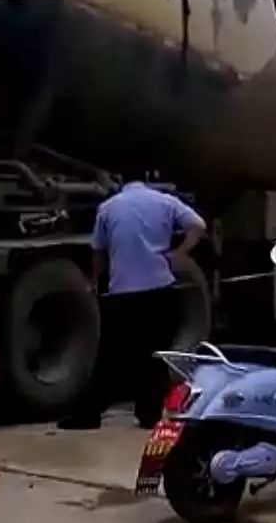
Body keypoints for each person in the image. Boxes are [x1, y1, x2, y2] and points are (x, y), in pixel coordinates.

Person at [60, 168, 205, 430]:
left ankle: (89, 414)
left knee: (110, 355)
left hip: (123, 291)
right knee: (156, 353)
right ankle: (149, 413)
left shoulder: (109, 207)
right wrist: (179, 254)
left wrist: (95, 282)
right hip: (160, 288)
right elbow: (198, 226)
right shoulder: (165, 201)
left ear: (121, 183)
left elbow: (98, 252)